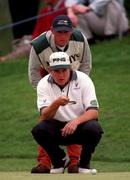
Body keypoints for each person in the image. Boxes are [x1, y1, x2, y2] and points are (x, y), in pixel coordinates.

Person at [28, 14, 92, 173]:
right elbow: (33, 72)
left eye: (66, 32)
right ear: (52, 31)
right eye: (59, 32)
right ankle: (45, 163)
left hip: (74, 82)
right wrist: (45, 92)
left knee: (75, 118)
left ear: (71, 31)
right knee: (45, 121)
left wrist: (79, 86)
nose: (62, 35)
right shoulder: (39, 44)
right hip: (49, 84)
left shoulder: (80, 39)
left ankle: (74, 162)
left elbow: (86, 64)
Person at [31, 51, 103, 174]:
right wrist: (56, 103)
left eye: (64, 70)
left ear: (70, 68)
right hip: (57, 129)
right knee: (38, 130)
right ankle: (60, 161)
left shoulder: (84, 79)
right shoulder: (43, 84)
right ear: (50, 70)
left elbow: (94, 112)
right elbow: (44, 116)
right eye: (56, 71)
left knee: (94, 128)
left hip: (79, 128)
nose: (61, 75)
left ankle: (84, 165)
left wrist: (75, 121)